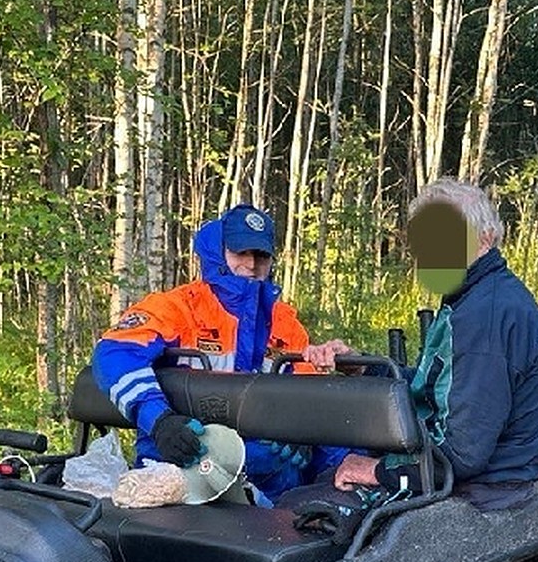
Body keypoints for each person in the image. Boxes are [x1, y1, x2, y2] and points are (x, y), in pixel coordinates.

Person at [93, 203, 352, 503]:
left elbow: (309, 400)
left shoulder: (284, 322)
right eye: (240, 253)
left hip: (267, 483)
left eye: (261, 255)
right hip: (182, 465)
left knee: (339, 461)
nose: (251, 265)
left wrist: (304, 433)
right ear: (218, 252)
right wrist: (159, 420)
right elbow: (114, 353)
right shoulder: (177, 307)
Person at [334, 178, 538, 511]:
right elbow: (443, 388)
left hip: (486, 493)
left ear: (485, 237)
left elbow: (463, 452)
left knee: (311, 507)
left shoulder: (485, 316)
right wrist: (367, 368)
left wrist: (379, 471)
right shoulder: (473, 297)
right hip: (475, 478)